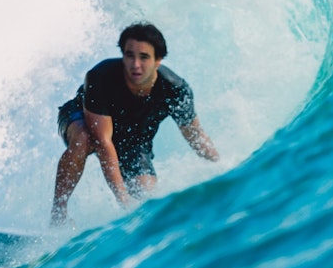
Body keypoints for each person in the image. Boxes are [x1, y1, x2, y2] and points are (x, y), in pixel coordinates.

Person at [52, 22, 219, 223]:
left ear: (158, 60)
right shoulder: (100, 77)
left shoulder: (175, 90)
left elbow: (196, 135)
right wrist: (122, 197)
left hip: (132, 140)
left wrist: (221, 167)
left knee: (145, 194)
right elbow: (103, 142)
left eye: (144, 57)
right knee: (84, 138)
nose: (135, 65)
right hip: (82, 120)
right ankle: (58, 213)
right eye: (130, 56)